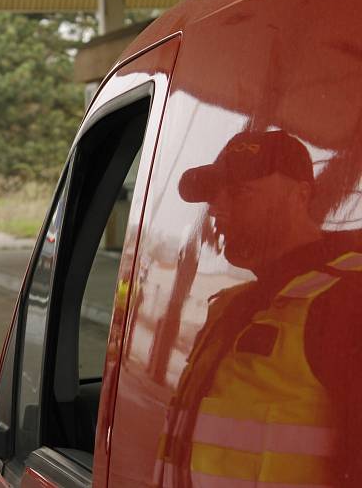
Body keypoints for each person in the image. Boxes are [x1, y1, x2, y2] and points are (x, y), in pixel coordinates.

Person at [155, 129, 362, 487]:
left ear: (301, 194)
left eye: (239, 192)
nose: (217, 208)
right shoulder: (235, 305)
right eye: (214, 196)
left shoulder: (346, 300)